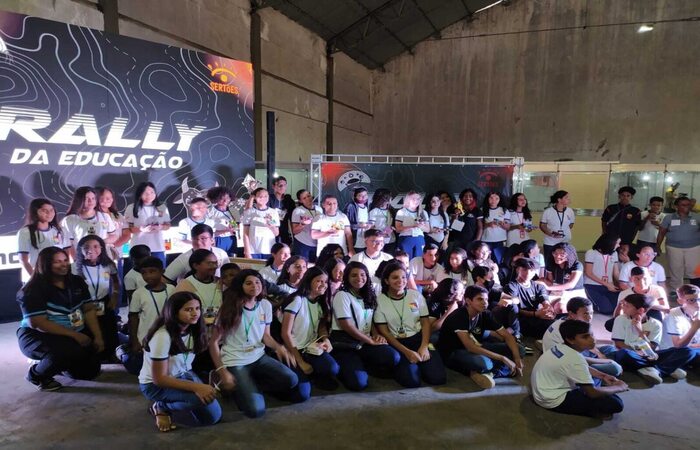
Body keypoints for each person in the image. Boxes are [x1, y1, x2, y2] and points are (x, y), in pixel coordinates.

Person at [209, 270, 307, 418]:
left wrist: (279, 347)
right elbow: (213, 342)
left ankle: (247, 384)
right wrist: (222, 370)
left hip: (258, 357)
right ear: (240, 286)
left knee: (291, 379)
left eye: (257, 282)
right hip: (235, 360)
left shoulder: (265, 305)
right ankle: (224, 381)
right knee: (255, 410)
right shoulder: (230, 308)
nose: (254, 286)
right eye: (248, 283)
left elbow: (265, 336)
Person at [17, 247, 103, 391]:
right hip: (38, 334)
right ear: (45, 265)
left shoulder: (76, 281)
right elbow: (37, 323)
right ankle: (36, 375)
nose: (63, 264)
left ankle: (59, 365)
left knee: (90, 372)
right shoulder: (32, 289)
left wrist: (98, 337)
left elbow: (88, 310)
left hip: (72, 331)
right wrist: (76, 336)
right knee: (65, 352)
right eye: (57, 262)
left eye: (65, 260)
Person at [138, 291, 221, 432]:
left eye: (197, 308)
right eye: (188, 310)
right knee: (199, 398)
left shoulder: (193, 328)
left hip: (182, 373)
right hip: (155, 385)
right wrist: (197, 387)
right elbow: (159, 379)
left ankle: (177, 401)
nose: (195, 313)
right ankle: (161, 407)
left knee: (212, 417)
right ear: (174, 312)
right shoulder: (162, 336)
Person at [531, 320, 627, 418]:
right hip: (553, 400)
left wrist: (603, 375)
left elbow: (578, 366)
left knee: (600, 386)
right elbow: (592, 393)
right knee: (616, 403)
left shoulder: (561, 347)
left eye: (591, 335)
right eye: (585, 337)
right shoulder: (575, 358)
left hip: (543, 392)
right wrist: (620, 387)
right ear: (570, 339)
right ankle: (590, 410)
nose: (592, 339)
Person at [374, 261, 446, 388]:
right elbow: (385, 332)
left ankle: (420, 364)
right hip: (397, 343)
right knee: (412, 382)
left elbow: (425, 323)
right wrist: (406, 352)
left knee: (438, 378)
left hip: (419, 339)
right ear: (386, 281)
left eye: (403, 277)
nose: (400, 281)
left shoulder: (415, 295)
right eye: (395, 277)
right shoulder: (380, 300)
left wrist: (424, 346)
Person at [438, 285, 525, 389]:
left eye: (486, 299)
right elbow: (470, 347)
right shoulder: (459, 316)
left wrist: (516, 358)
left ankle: (490, 374)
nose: (485, 302)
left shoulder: (485, 314)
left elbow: (507, 336)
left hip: (477, 346)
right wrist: (503, 358)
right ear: (468, 301)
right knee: (485, 364)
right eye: (480, 299)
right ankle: (476, 371)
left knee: (520, 350)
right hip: (454, 352)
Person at [330, 262, 400, 391]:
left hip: (364, 341)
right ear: (347, 277)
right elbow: (347, 325)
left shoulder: (367, 294)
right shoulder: (342, 295)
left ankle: (362, 364)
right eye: (354, 275)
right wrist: (370, 341)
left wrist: (376, 335)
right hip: (346, 344)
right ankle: (343, 367)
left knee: (392, 357)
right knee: (358, 384)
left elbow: (369, 318)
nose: (359, 278)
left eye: (363, 275)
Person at [608, 293, 693, 385]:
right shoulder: (620, 319)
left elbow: (652, 348)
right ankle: (663, 367)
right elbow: (619, 344)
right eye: (624, 305)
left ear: (640, 310)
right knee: (623, 354)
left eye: (627, 306)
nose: (623, 308)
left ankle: (651, 368)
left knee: (686, 351)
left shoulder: (656, 324)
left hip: (650, 354)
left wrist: (640, 332)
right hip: (632, 353)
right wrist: (642, 354)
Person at [281, 266, 340, 390]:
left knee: (333, 368)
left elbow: (321, 326)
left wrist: (325, 339)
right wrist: (300, 362)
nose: (323, 285)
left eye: (325, 282)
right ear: (309, 281)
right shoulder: (297, 300)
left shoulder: (319, 302)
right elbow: (285, 333)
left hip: (310, 348)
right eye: (319, 281)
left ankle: (312, 374)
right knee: (301, 393)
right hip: (293, 349)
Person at [542, 297, 622, 377]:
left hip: (579, 353)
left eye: (591, 313)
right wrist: (602, 360)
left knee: (610, 348)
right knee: (615, 368)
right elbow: (577, 358)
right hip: (565, 362)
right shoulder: (568, 329)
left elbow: (590, 345)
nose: (590, 317)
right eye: (586, 314)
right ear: (571, 314)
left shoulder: (574, 323)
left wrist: (600, 355)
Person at [72, 235, 120, 361]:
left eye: (95, 246)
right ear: (79, 250)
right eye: (86, 247)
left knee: (108, 328)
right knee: (85, 330)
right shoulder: (75, 267)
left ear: (102, 248)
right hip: (81, 305)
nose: (91, 250)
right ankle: (90, 357)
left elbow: (116, 282)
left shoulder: (108, 264)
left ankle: (109, 354)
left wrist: (114, 297)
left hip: (103, 301)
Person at [124, 256, 172, 375]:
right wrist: (134, 340)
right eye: (144, 273)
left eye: (152, 271)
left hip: (169, 333)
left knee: (168, 364)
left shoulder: (172, 289)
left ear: (162, 271)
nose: (148, 276)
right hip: (146, 337)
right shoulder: (138, 293)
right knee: (149, 369)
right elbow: (133, 317)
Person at [17, 198, 70, 282]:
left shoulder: (61, 231)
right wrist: (35, 278)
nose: (49, 213)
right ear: (35, 212)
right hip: (35, 280)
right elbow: (23, 260)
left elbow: (66, 255)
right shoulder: (25, 232)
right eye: (44, 211)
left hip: (57, 278)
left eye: (51, 210)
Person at [504, 258, 555, 338]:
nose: (528, 273)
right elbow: (514, 310)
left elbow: (545, 302)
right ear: (518, 270)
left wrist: (548, 309)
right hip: (520, 320)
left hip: (537, 317)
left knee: (557, 322)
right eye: (524, 270)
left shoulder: (539, 286)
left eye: (532, 270)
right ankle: (516, 335)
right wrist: (535, 314)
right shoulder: (511, 287)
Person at [657, 196, 700, 290]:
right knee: (675, 270)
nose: (686, 207)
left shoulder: (697, 217)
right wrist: (658, 246)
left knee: (696, 271)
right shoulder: (668, 218)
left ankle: (697, 291)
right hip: (673, 248)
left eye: (688, 205)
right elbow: (661, 232)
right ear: (676, 206)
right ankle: (676, 292)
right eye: (683, 205)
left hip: (694, 248)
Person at [164, 224, 230, 284]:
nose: (198, 242)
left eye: (203, 239)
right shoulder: (184, 258)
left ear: (212, 240)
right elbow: (165, 279)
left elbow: (228, 275)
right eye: (195, 239)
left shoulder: (221, 254)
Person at [61, 186, 117, 257]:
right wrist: (75, 261)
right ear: (79, 200)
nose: (91, 201)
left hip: (103, 257)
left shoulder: (104, 216)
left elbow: (113, 236)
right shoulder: (69, 220)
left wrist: (100, 242)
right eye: (87, 199)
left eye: (93, 198)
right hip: (81, 257)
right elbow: (68, 245)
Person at [124, 182, 171, 266]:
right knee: (138, 273)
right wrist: (141, 229)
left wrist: (160, 227)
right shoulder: (132, 207)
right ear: (140, 194)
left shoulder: (162, 207)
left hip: (157, 247)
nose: (149, 195)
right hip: (138, 247)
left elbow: (168, 226)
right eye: (146, 193)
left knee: (159, 272)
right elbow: (127, 229)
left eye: (152, 192)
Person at [174, 249, 223, 328]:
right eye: (210, 263)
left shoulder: (220, 282)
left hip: (217, 330)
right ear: (196, 265)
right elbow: (176, 310)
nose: (215, 266)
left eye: (216, 263)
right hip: (195, 330)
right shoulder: (185, 284)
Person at [660, 284, 700, 366]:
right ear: (680, 301)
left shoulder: (698, 312)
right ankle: (661, 369)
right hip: (674, 352)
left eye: (699, 299)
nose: (698, 303)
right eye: (692, 300)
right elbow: (678, 345)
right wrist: (694, 328)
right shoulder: (673, 315)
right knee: (688, 352)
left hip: (694, 348)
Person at [583, 235, 621, 315]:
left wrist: (622, 285)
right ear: (610, 243)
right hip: (592, 286)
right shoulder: (591, 253)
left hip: (609, 286)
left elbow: (616, 273)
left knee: (619, 307)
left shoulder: (614, 254)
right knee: (607, 310)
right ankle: (589, 302)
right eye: (617, 243)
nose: (619, 245)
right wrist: (607, 284)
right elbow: (588, 273)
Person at [543, 242, 584, 313]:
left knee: (562, 308)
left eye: (562, 254)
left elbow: (571, 285)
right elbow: (550, 281)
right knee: (549, 307)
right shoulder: (551, 263)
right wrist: (541, 283)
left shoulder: (577, 265)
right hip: (556, 290)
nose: (558, 256)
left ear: (569, 255)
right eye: (555, 253)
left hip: (574, 291)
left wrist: (548, 287)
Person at [602, 187, 642, 257]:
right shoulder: (611, 208)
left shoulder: (636, 211)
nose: (625, 197)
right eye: (623, 195)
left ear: (631, 197)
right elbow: (604, 221)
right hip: (611, 239)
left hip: (626, 240)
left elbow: (637, 226)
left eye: (628, 196)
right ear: (619, 196)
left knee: (623, 257)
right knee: (610, 257)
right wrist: (605, 233)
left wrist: (632, 238)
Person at [242, 187, 280, 259]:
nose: (263, 198)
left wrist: (271, 225)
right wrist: (247, 251)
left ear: (268, 197)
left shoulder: (273, 212)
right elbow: (245, 234)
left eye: (265, 196)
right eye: (260, 196)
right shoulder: (249, 212)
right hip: (253, 250)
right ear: (255, 198)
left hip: (269, 249)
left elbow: (276, 233)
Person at [95, 186, 131, 259]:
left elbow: (127, 234)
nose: (108, 199)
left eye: (110, 197)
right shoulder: (93, 217)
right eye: (103, 197)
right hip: (99, 255)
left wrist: (115, 245)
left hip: (118, 254)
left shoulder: (118, 215)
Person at [539, 190, 575, 262]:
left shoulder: (570, 211)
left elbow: (571, 224)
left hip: (565, 241)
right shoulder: (548, 211)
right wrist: (551, 234)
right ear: (559, 199)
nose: (569, 199)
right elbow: (542, 225)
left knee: (564, 262)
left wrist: (564, 230)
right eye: (566, 197)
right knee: (549, 263)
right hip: (550, 242)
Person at [394, 191, 430, 259]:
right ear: (408, 199)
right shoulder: (401, 212)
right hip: (406, 239)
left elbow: (428, 230)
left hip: (419, 239)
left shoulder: (423, 212)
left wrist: (421, 226)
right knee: (405, 261)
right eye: (413, 199)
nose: (416, 201)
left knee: (418, 261)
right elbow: (398, 229)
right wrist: (412, 226)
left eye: (418, 199)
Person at [206, 186, 239, 257]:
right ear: (215, 199)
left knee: (232, 261)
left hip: (231, 239)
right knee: (218, 260)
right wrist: (226, 230)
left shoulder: (233, 211)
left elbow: (235, 227)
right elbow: (209, 231)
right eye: (221, 198)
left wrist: (235, 228)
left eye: (227, 198)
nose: (225, 200)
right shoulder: (210, 211)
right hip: (218, 240)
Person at [290, 189, 322, 261]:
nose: (308, 199)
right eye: (304, 198)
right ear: (300, 201)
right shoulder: (297, 211)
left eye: (308, 196)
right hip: (302, 243)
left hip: (317, 243)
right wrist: (302, 224)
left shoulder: (319, 209)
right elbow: (294, 231)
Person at [447, 188, 482, 253]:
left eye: (470, 196)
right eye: (465, 196)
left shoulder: (477, 211)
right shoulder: (456, 209)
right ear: (462, 198)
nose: (468, 198)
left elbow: (480, 227)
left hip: (471, 242)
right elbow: (453, 226)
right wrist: (456, 215)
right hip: (457, 241)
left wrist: (477, 241)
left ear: (473, 198)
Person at [480, 191, 510, 264]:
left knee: (498, 261)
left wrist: (502, 224)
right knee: (485, 261)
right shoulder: (482, 209)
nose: (493, 200)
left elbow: (508, 227)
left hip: (500, 240)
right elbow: (479, 226)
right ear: (487, 199)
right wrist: (488, 224)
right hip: (486, 240)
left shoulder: (504, 210)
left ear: (500, 200)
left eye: (496, 198)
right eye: (491, 198)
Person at [268, 176, 296, 245]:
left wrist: (293, 235)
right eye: (280, 185)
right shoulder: (268, 199)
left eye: (285, 185)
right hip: (270, 230)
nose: (283, 187)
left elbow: (292, 219)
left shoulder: (289, 200)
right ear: (273, 186)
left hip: (284, 232)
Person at [368, 188, 396, 254]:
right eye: (389, 196)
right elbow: (371, 227)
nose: (391, 198)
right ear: (384, 198)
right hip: (379, 241)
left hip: (391, 240)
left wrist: (392, 228)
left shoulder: (391, 210)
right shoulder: (374, 211)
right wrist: (380, 234)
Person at [344, 187, 372, 253]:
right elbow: (345, 225)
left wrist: (369, 225)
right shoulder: (350, 206)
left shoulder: (367, 207)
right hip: (355, 239)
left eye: (365, 195)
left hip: (365, 238)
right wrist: (358, 225)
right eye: (360, 195)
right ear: (355, 196)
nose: (363, 197)